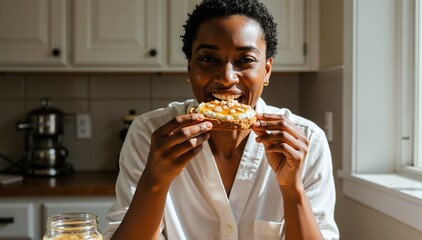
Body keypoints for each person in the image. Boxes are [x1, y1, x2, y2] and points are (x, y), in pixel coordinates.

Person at [104, 0, 339, 239]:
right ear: (189, 68)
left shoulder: (306, 142)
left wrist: (293, 189)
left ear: (266, 70)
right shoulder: (149, 134)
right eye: (208, 59)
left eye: (245, 60)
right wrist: (154, 180)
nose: (227, 78)